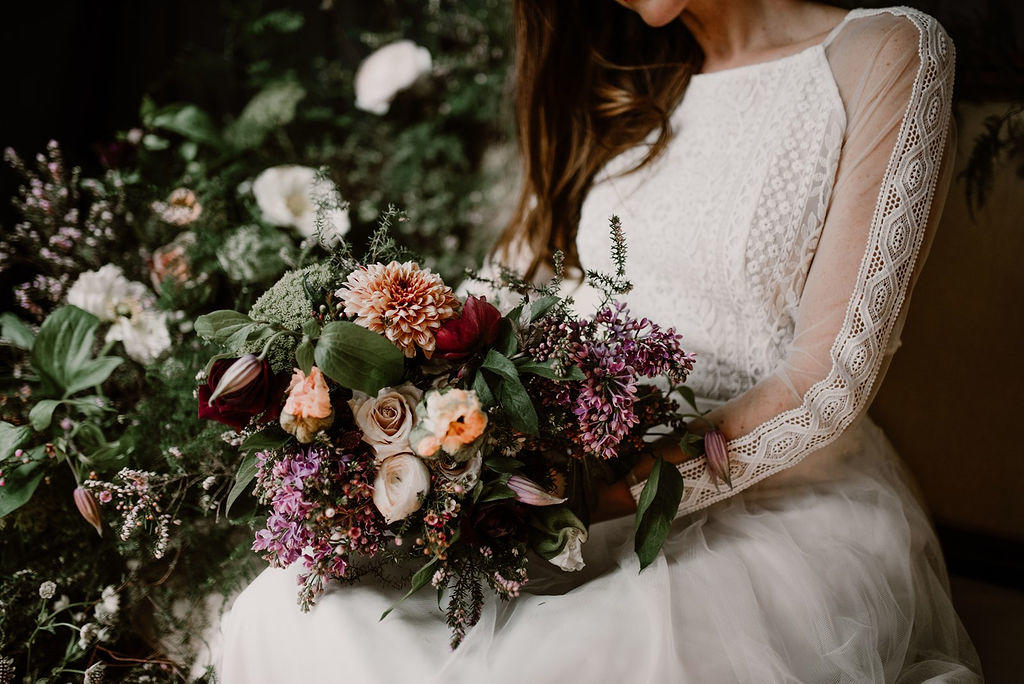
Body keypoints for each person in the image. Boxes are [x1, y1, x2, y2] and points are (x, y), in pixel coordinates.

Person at [219, 2, 983, 681]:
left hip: (775, 504)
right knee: (290, 608)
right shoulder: (618, 81)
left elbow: (828, 382)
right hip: (570, 479)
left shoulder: (884, 51)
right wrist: (410, 436)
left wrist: (591, 497)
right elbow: (502, 298)